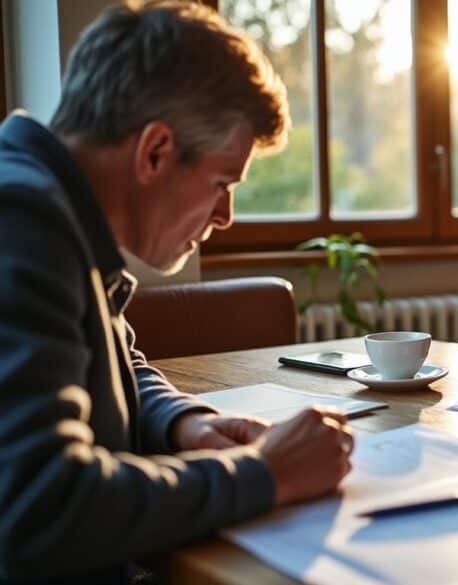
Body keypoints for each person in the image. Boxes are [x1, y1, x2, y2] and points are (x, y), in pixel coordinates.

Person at [0, 2, 354, 583]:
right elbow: (44, 508)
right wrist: (267, 475)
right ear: (155, 151)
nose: (226, 216)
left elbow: (117, 362)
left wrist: (183, 422)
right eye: (222, 183)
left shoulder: (56, 210)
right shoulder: (21, 221)